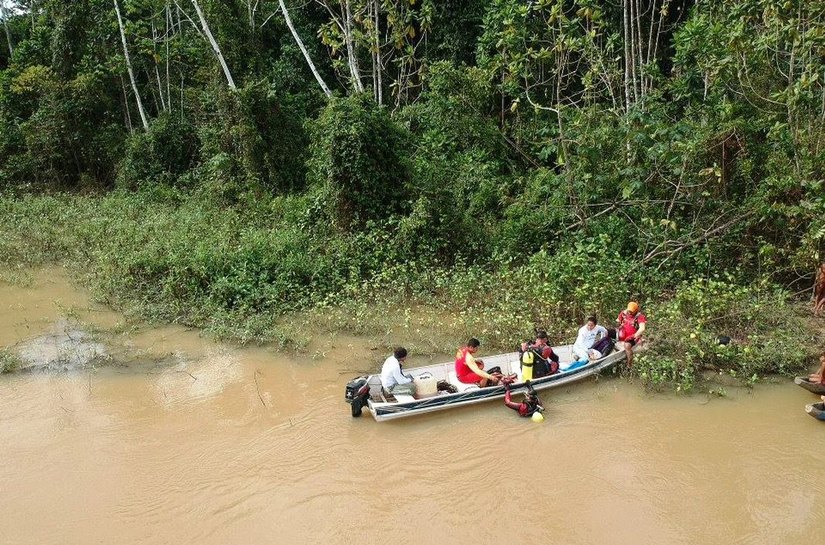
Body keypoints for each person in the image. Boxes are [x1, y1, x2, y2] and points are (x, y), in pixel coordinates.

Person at [617, 301, 647, 367]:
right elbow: (618, 321)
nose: (630, 313)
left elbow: (642, 328)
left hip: (633, 336)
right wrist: (620, 326)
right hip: (623, 333)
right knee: (608, 332)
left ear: (636, 310)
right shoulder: (624, 313)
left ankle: (629, 365)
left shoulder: (639, 317)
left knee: (627, 346)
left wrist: (634, 336)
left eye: (631, 311)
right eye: (629, 311)